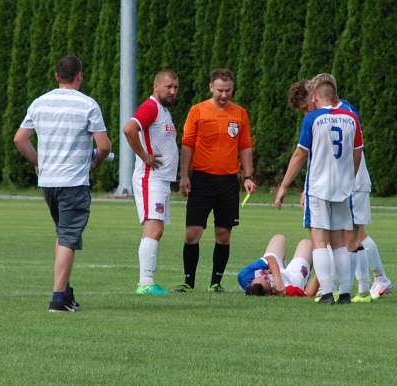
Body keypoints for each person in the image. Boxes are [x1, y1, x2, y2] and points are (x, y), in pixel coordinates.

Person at [14, 56, 111, 312]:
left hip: (49, 182)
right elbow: (104, 146)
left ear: (57, 76)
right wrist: (94, 163)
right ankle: (58, 298)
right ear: (79, 75)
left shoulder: (40, 103)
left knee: (63, 235)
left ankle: (66, 292)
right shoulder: (88, 105)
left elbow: (20, 139)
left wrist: (38, 163)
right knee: (68, 237)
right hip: (74, 182)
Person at [275, 79, 363, 304]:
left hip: (318, 187)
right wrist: (349, 178)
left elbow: (300, 154)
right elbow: (357, 153)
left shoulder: (312, 119)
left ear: (315, 96)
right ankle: (344, 292)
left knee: (320, 240)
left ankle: (326, 292)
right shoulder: (352, 117)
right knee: (340, 242)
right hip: (343, 188)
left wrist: (284, 185)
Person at [308, 74, 393, 301]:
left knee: (354, 236)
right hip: (345, 181)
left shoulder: (342, 113)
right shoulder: (344, 111)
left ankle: (372, 282)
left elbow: (355, 149)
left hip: (349, 181)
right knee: (348, 237)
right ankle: (354, 287)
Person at [177, 68, 255, 293]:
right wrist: (184, 176)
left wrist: (248, 176)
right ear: (211, 87)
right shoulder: (197, 111)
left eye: (228, 90)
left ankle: (215, 282)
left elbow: (245, 146)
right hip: (201, 179)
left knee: (223, 233)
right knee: (193, 233)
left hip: (228, 182)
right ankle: (188, 282)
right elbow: (187, 144)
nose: (223, 95)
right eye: (220, 90)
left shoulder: (239, 113)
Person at [122, 70, 180, 296]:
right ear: (156, 87)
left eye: (176, 87)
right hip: (150, 178)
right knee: (153, 227)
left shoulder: (163, 111)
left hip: (161, 180)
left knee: (157, 229)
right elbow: (129, 129)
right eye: (168, 87)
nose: (173, 91)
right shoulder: (151, 106)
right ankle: (145, 282)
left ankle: (148, 280)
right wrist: (144, 156)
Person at [237, 234, 312, 297]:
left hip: (275, 268)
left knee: (278, 238)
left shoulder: (245, 277)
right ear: (271, 291)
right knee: (306, 243)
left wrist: (277, 279)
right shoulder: (286, 290)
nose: (264, 275)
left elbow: (270, 258)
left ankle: (282, 264)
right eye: (267, 279)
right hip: (292, 279)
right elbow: (309, 293)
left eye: (257, 277)